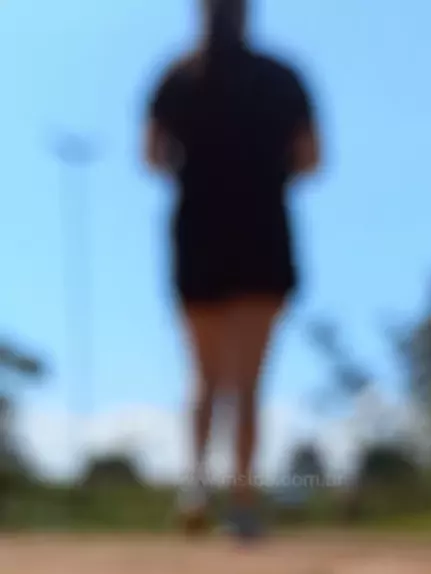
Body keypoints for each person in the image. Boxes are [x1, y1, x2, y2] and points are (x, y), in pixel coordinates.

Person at [144, 0, 322, 539]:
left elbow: (151, 155)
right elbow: (311, 157)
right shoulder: (281, 78)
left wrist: (198, 171)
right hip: (261, 231)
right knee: (247, 381)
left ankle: (197, 485)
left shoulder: (178, 78)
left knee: (204, 375)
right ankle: (241, 501)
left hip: (198, 230)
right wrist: (266, 175)